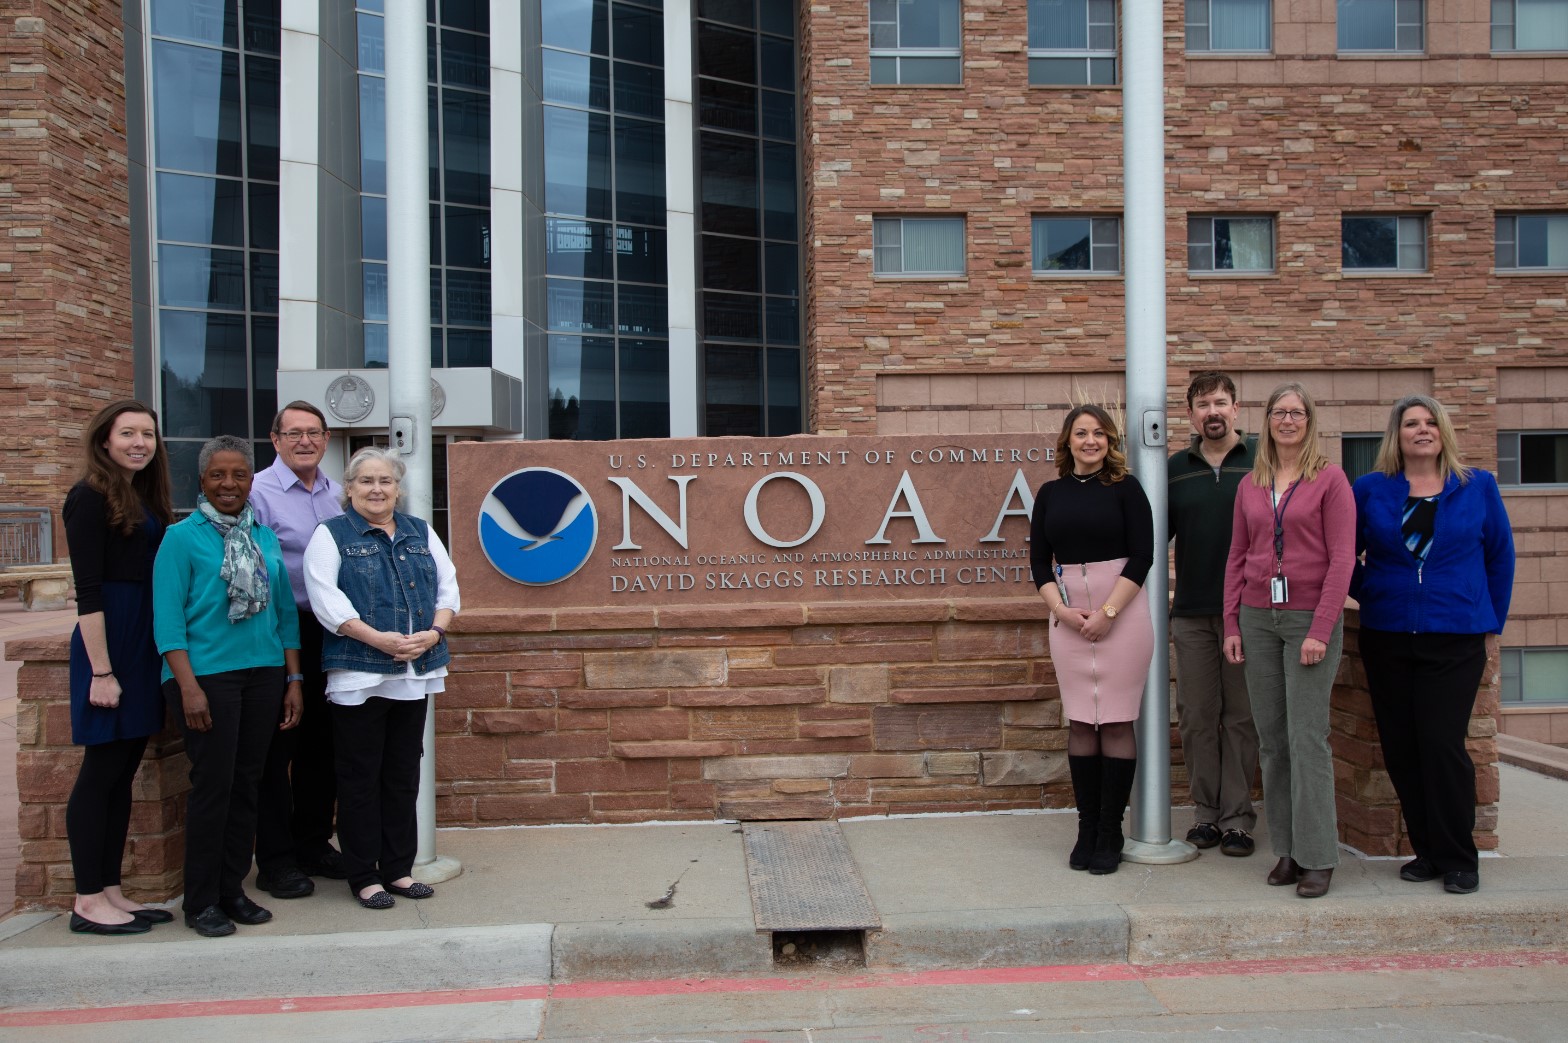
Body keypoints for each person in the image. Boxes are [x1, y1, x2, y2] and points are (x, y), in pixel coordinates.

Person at [1352, 395, 1514, 896]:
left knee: (1443, 746)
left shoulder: (1477, 486)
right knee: (1402, 749)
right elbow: (1345, 556)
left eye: (1429, 423)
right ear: (1396, 435)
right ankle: (1425, 851)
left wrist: (1488, 618)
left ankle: (1459, 856)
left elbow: (1500, 557)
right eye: (1410, 423)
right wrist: (1374, 591)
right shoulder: (1371, 490)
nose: (1421, 430)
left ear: (1442, 432)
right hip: (1388, 635)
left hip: (1456, 637)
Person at [154, 436, 302, 937]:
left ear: (250, 482)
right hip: (207, 679)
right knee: (213, 787)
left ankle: (232, 890)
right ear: (202, 481)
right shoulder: (180, 538)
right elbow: (168, 620)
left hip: (263, 674)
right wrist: (188, 687)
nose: (229, 484)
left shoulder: (262, 536)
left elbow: (284, 611)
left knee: (249, 785)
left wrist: (294, 678)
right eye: (218, 475)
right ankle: (200, 900)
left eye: (239, 475)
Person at [304, 447, 459, 909]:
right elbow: (326, 601)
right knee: (359, 778)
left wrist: (433, 634)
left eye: (385, 481)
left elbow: (448, 590)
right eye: (366, 481)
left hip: (415, 669)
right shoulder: (330, 536)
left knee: (401, 775)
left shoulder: (420, 532)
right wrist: (380, 640)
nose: (376, 489)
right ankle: (363, 875)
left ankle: (398, 870)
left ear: (398, 488)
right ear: (348, 488)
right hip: (360, 673)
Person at [1223, 383, 1355, 899]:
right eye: (1279, 412)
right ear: (1266, 421)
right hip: (1258, 618)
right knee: (1272, 741)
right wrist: (1232, 624)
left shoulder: (1330, 480)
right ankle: (1287, 850)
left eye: (1296, 413)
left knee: (1307, 740)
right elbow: (1237, 557)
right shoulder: (1251, 484)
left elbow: (1342, 559)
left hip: (1306, 621)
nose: (1287, 420)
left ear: (1310, 421)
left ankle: (1319, 856)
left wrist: (1321, 628)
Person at [61, 402, 176, 935]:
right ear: (104, 440)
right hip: (108, 644)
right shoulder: (87, 497)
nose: (139, 442)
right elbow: (87, 592)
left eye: (147, 434)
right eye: (127, 433)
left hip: (139, 643)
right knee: (100, 774)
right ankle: (86, 900)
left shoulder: (141, 496)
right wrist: (102, 672)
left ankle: (110, 890)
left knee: (123, 773)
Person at [1030, 405, 1155, 875]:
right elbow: (1040, 563)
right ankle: (1086, 829)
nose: (1090, 441)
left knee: (1118, 723)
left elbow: (1143, 556)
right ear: (1067, 441)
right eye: (1081, 433)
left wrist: (1107, 613)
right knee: (1082, 722)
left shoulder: (1126, 489)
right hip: (1068, 620)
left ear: (1110, 441)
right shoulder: (1050, 493)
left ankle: (1110, 832)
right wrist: (1060, 609)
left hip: (1122, 616)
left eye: (1099, 434)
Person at [250, 401, 346, 899]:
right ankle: (276, 859)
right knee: (277, 748)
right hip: (278, 635)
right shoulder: (257, 494)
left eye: (313, 432)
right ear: (275, 438)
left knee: (323, 746)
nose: (304, 441)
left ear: (326, 438)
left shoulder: (339, 495)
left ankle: (313, 844)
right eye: (294, 433)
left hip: (332, 633)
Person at [1168, 372, 1259, 858]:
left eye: (1220, 403)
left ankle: (1239, 819)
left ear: (1236, 408)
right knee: (1198, 716)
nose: (1213, 413)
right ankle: (1205, 815)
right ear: (1191, 414)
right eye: (1203, 405)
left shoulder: (1261, 465)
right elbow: (1154, 540)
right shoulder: (1174, 468)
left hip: (1250, 613)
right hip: (1191, 612)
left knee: (1242, 717)